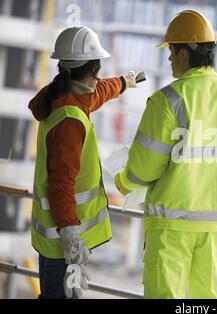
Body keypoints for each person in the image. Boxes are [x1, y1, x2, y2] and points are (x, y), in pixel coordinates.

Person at [114, 10, 217, 299]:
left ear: (184, 54)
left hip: (172, 229)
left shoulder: (167, 101)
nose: (169, 58)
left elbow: (143, 169)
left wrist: (125, 181)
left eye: (172, 51)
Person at [28, 26, 140, 299]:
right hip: (63, 243)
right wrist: (70, 236)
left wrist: (125, 82)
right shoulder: (70, 119)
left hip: (54, 241)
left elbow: (98, 92)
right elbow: (61, 183)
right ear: (92, 70)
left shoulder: (63, 98)